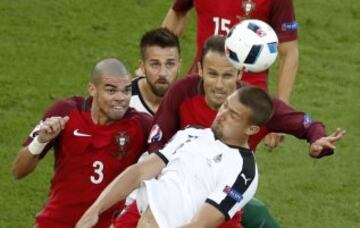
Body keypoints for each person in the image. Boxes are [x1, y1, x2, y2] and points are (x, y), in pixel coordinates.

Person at [116, 35, 344, 228]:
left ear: (240, 73)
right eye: (212, 74)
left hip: (223, 196)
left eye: (227, 75)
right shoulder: (182, 91)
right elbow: (157, 141)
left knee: (260, 215)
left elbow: (304, 123)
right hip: (179, 190)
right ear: (199, 70)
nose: (219, 85)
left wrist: (317, 140)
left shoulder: (252, 105)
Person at [76, 86, 277, 228]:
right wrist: (94, 210)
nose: (222, 114)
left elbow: (201, 224)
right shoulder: (191, 133)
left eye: (233, 115)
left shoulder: (243, 171)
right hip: (134, 217)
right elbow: (140, 172)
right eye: (225, 105)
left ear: (251, 129)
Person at [12, 58, 153, 228]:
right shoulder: (65, 112)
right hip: (54, 223)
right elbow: (18, 171)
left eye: (126, 91)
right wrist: (40, 141)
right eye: (111, 90)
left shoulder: (141, 125)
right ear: (92, 89)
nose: (120, 98)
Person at [162, 0, 299, 104]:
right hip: (199, 87)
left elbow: (289, 53)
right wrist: (157, 71)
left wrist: (282, 107)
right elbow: (177, 13)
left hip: (246, 98)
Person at [130, 27, 181, 115]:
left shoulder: (189, 103)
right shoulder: (125, 100)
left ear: (179, 66)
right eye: (155, 64)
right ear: (142, 66)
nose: (162, 73)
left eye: (170, 64)